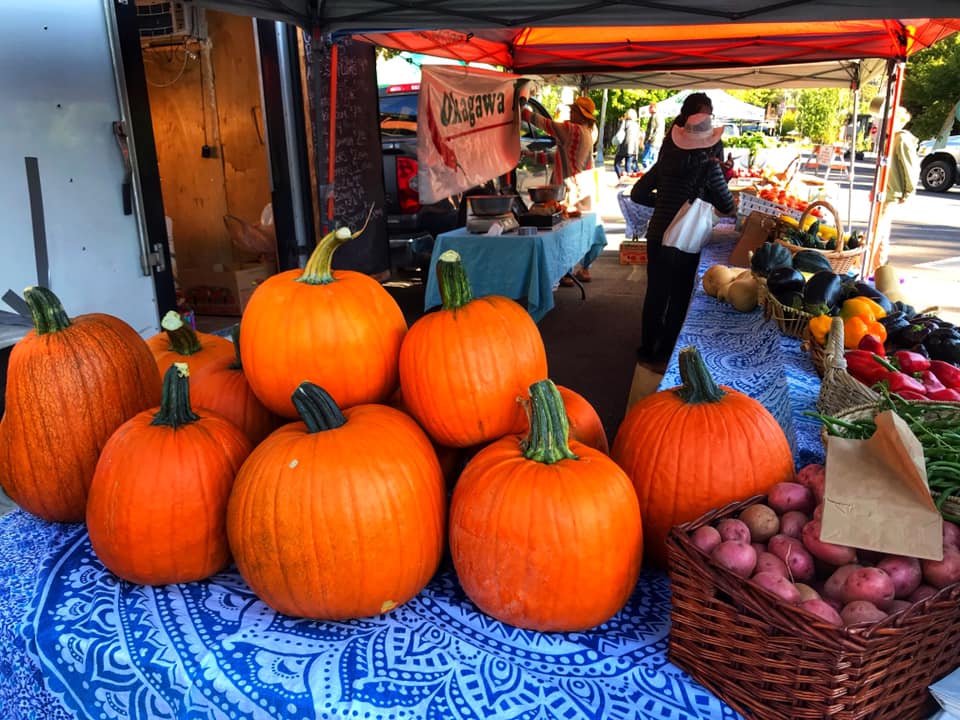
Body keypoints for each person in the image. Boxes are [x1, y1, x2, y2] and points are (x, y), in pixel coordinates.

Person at [629, 92, 735, 369]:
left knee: (655, 293)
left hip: (657, 235)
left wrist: (663, 204)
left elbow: (637, 193)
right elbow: (727, 206)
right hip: (685, 240)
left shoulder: (665, 160)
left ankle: (646, 348)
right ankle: (665, 351)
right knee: (678, 296)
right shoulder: (709, 167)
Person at [521, 94, 600, 283]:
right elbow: (557, 156)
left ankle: (565, 272)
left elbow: (544, 123)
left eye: (575, 110)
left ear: (583, 115)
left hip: (570, 187)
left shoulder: (571, 129)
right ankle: (584, 269)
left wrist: (521, 107)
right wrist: (531, 155)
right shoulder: (587, 132)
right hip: (584, 186)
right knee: (581, 231)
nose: (571, 112)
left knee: (563, 232)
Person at [867, 106, 918, 274]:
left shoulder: (902, 139)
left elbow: (909, 168)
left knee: (876, 232)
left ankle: (866, 268)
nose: (886, 123)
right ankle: (878, 268)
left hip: (889, 193)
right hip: (883, 191)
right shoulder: (893, 138)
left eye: (889, 120)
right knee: (880, 233)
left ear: (898, 121)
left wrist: (908, 192)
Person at [613, 109, 642, 179]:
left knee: (616, 163)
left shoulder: (625, 122)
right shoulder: (637, 125)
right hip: (633, 148)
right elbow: (638, 136)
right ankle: (628, 180)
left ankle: (621, 177)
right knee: (628, 165)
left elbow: (620, 133)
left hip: (624, 146)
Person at [641, 102, 665, 169]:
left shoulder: (654, 117)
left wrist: (646, 140)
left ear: (654, 108)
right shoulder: (661, 117)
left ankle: (648, 175)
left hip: (652, 142)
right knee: (653, 161)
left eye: (650, 107)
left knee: (646, 160)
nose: (649, 109)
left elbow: (651, 130)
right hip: (658, 142)